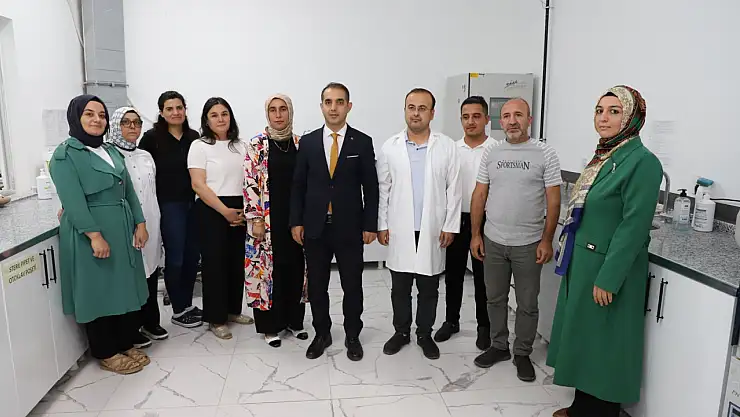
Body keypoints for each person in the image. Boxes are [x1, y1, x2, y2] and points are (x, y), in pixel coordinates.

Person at [547, 86, 662, 417]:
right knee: (585, 339)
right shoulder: (605, 157)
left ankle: (599, 412)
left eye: (614, 111)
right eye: (599, 110)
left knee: (605, 344)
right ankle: (581, 406)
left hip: (608, 268)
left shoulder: (642, 162)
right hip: (584, 263)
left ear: (631, 117)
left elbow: (633, 226)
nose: (604, 118)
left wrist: (609, 278)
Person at [50, 95, 151, 375]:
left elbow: (128, 190)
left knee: (122, 286)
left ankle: (124, 342)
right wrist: (94, 235)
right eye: (89, 114)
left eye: (102, 115)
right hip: (90, 232)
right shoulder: (65, 155)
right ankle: (105, 350)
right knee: (98, 290)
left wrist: (140, 222)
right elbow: (72, 201)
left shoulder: (109, 150)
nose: (97, 120)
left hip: (121, 227)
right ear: (76, 118)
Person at [470, 97, 562, 382]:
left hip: (529, 243)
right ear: (501, 121)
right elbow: (480, 194)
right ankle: (499, 346)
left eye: (518, 115)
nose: (512, 121)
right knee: (494, 298)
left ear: (529, 120)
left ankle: (522, 352)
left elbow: (554, 200)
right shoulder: (492, 152)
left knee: (527, 303)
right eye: (507, 116)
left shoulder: (545, 153)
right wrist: (475, 234)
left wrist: (546, 240)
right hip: (494, 240)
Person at [290, 82, 379, 361]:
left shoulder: (362, 142)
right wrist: (296, 221)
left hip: (350, 227)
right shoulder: (308, 142)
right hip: (315, 227)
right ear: (321, 107)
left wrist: (370, 225)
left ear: (348, 106)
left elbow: (371, 187)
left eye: (340, 102)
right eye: (328, 102)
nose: (333, 108)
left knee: (352, 285)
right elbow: (298, 185)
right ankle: (322, 333)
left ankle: (352, 334)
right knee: (317, 286)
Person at [377, 88, 461, 360]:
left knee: (429, 287)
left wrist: (450, 225)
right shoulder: (390, 147)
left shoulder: (446, 146)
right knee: (400, 288)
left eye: (422, 108)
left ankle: (424, 334)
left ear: (432, 113)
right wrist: (382, 224)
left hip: (433, 228)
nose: (416, 113)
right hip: (400, 227)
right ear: (405, 110)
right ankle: (401, 332)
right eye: (411, 107)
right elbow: (383, 189)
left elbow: (454, 189)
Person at [244, 94, 308, 347]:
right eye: (273, 110)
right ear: (267, 113)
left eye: (283, 109)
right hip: (267, 219)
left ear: (290, 112)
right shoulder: (257, 145)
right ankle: (270, 326)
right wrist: (256, 218)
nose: (278, 114)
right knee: (269, 272)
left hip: (296, 219)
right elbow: (249, 181)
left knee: (296, 268)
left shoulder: (300, 144)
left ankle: (295, 321)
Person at [188, 97, 254, 340]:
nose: (220, 119)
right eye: (214, 115)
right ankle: (216, 318)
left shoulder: (241, 146)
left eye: (224, 113)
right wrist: (225, 211)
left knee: (236, 262)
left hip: (240, 208)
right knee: (215, 265)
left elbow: (250, 180)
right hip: (212, 208)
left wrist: (245, 210)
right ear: (206, 120)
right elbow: (198, 184)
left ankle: (233, 311)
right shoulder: (199, 146)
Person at [434, 96, 495, 350]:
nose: (470, 122)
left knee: (483, 278)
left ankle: (484, 326)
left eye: (476, 116)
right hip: (456, 219)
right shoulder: (452, 149)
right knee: (453, 275)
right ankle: (451, 321)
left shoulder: (496, 149)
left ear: (487, 119)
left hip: (487, 220)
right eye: (466, 117)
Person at [138, 91, 202, 329]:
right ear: (161, 112)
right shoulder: (151, 139)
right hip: (168, 205)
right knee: (175, 258)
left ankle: (187, 304)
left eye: (179, 107)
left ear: (185, 109)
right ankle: (178, 309)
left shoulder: (194, 137)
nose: (175, 112)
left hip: (193, 203)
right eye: (169, 109)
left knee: (192, 257)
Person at [104, 107, 167, 347]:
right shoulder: (108, 155)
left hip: (151, 220)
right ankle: (132, 328)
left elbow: (152, 191)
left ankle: (151, 321)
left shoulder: (145, 156)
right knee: (131, 275)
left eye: (137, 122)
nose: (133, 127)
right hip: (124, 224)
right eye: (126, 122)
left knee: (150, 270)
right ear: (115, 126)